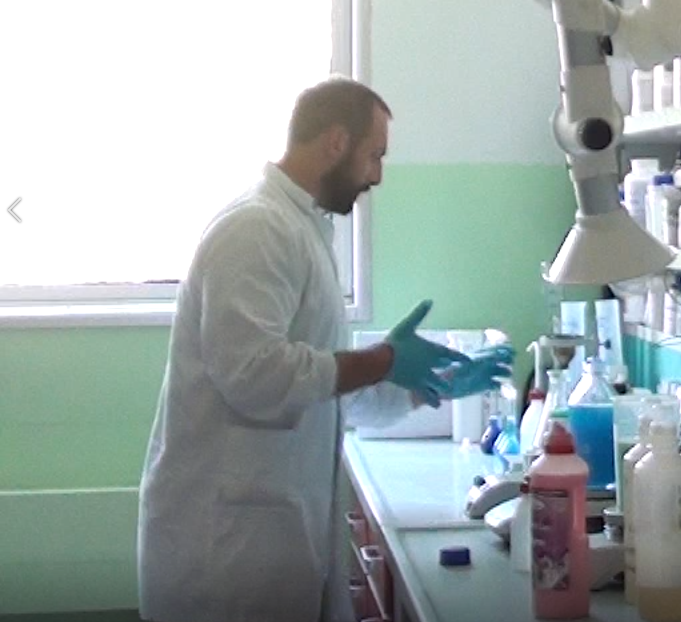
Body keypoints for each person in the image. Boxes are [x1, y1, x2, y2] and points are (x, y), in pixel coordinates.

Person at [137, 78, 511, 622]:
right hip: (224, 548)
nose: (377, 176)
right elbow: (253, 376)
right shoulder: (255, 229)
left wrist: (424, 386)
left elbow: (327, 391)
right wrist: (384, 360)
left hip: (270, 532)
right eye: (374, 155)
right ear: (336, 142)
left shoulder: (302, 229)